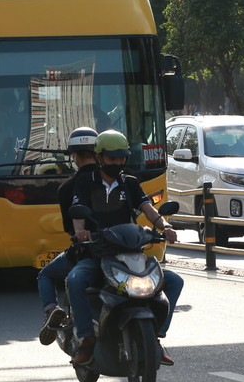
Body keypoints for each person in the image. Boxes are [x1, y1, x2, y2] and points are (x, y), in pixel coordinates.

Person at [64, 130, 182, 366]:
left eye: (122, 158)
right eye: (112, 158)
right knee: (75, 280)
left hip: (129, 252)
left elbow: (148, 209)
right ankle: (87, 339)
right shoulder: (86, 181)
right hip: (98, 252)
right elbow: (77, 210)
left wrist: (165, 226)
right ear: (99, 157)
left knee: (174, 281)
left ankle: (156, 337)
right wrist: (80, 232)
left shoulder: (129, 182)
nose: (118, 163)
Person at [36, 127, 100, 345]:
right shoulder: (115, 181)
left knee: (45, 275)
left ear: (74, 156)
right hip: (119, 245)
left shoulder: (66, 188)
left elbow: (69, 229)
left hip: (85, 251)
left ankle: (51, 309)